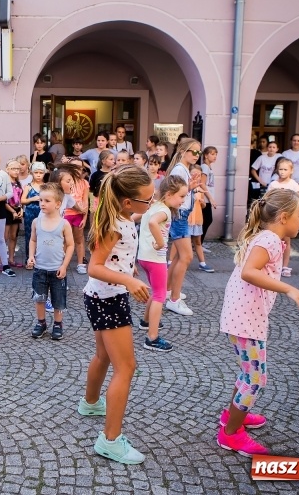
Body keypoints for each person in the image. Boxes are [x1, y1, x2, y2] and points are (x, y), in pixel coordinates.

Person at [217, 188, 299, 456]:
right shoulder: (270, 239)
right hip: (245, 320)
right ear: (283, 217)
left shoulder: (271, 237)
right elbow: (249, 272)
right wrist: (289, 289)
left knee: (248, 374)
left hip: (242, 317)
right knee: (256, 379)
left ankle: (232, 416)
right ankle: (230, 435)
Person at [78, 165, 154, 465]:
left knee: (103, 356)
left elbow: (115, 256)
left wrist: (127, 268)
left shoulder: (122, 217)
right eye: (147, 200)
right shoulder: (114, 224)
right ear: (127, 202)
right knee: (126, 367)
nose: (150, 204)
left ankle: (90, 403)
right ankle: (110, 440)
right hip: (108, 299)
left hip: (101, 296)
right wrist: (129, 280)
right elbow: (95, 265)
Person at [137, 175, 188, 350]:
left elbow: (139, 217)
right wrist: (160, 242)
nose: (183, 200)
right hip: (155, 258)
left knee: (156, 290)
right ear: (168, 194)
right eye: (181, 196)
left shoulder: (154, 206)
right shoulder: (164, 211)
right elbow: (152, 222)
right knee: (160, 295)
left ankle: (145, 321)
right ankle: (152, 337)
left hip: (144, 257)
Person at [28, 182, 74, 341]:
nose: (42, 203)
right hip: (40, 268)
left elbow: (70, 245)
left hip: (57, 269)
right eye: (41, 200)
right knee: (39, 298)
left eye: (47, 201)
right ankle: (41, 322)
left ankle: (58, 324)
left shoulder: (64, 224)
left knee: (58, 299)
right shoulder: (36, 222)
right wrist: (31, 256)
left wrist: (64, 265)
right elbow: (33, 240)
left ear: (58, 204)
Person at [165, 138, 201, 316]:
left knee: (180, 256)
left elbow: (181, 192)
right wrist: (189, 188)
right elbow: (173, 193)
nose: (196, 155)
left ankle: (168, 290)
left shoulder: (182, 168)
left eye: (198, 152)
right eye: (193, 151)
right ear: (183, 151)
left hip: (181, 215)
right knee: (186, 257)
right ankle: (174, 300)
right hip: (179, 216)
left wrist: (191, 187)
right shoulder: (180, 169)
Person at [267, 158, 299, 277]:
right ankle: (271, 263)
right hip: (275, 216)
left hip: (289, 217)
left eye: (285, 169)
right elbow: (267, 199)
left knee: (286, 241)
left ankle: (285, 266)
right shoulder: (274, 184)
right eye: (280, 169)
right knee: (273, 240)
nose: (282, 172)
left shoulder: (293, 185)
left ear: (291, 171)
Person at [21, 161, 47, 256]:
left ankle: (41, 257)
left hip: (44, 213)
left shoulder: (46, 186)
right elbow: (22, 200)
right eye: (36, 173)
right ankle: (29, 257)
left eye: (41, 173)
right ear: (32, 173)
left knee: (43, 235)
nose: (38, 175)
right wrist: (32, 198)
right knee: (29, 235)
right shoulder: (28, 186)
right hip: (30, 213)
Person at [4, 159, 24, 268]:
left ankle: (11, 259)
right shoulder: (5, 182)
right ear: (7, 170)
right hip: (6, 210)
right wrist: (12, 211)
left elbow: (20, 198)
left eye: (18, 169)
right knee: (4, 236)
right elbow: (3, 200)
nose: (16, 171)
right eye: (13, 169)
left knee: (13, 236)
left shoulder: (18, 183)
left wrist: (20, 209)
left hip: (16, 209)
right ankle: (3, 260)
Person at [89, 150, 116, 216]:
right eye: (111, 159)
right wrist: (92, 204)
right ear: (103, 161)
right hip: (98, 201)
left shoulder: (114, 174)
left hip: (111, 201)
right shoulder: (95, 175)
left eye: (114, 159)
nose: (114, 161)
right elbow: (91, 190)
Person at [201, 146, 218, 243]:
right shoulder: (205, 167)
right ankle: (198, 243)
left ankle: (199, 243)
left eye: (215, 154)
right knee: (207, 220)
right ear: (206, 156)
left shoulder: (208, 167)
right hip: (205, 199)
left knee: (206, 220)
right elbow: (203, 183)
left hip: (207, 198)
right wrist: (211, 198)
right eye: (212, 154)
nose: (215, 156)